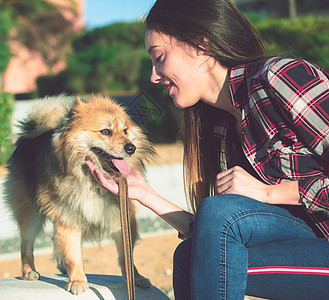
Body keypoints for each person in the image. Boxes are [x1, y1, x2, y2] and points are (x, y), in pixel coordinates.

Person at [86, 0, 329, 299]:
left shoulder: (280, 77)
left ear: (201, 45)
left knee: (216, 220)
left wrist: (270, 194)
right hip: (310, 242)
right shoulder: (222, 125)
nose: (154, 75)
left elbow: (225, 215)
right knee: (190, 256)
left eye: (159, 57)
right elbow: (215, 233)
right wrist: (145, 194)